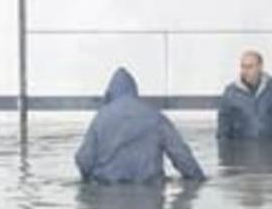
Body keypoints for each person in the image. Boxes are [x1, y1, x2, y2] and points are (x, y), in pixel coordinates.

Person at [75, 67, 206, 183]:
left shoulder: (101, 118)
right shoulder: (155, 117)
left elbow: (83, 160)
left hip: (107, 194)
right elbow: (181, 156)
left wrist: (88, 179)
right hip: (149, 196)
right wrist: (197, 177)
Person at [216, 50, 272, 141]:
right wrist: (224, 147)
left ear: (260, 67)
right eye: (243, 67)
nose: (245, 71)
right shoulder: (231, 93)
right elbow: (223, 125)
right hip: (243, 149)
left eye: (250, 67)